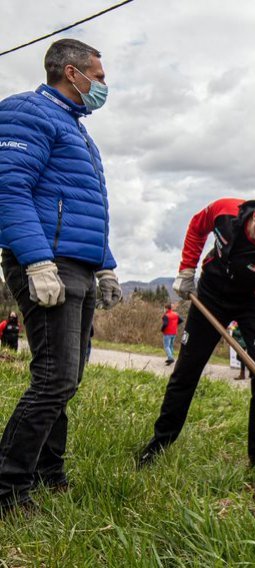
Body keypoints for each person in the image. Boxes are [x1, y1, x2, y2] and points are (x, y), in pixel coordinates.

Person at [0, 39, 122, 516]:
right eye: (100, 75)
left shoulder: (76, 131)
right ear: (72, 73)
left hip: (77, 264)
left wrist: (105, 263)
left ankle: (50, 473)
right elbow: (9, 189)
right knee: (54, 379)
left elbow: (85, 210)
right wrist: (35, 260)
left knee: (64, 380)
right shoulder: (27, 113)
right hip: (49, 262)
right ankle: (9, 488)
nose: (103, 85)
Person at [138, 189, 255, 472]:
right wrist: (186, 269)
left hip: (254, 303)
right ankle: (159, 444)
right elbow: (196, 226)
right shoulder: (225, 211)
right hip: (212, 296)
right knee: (186, 370)